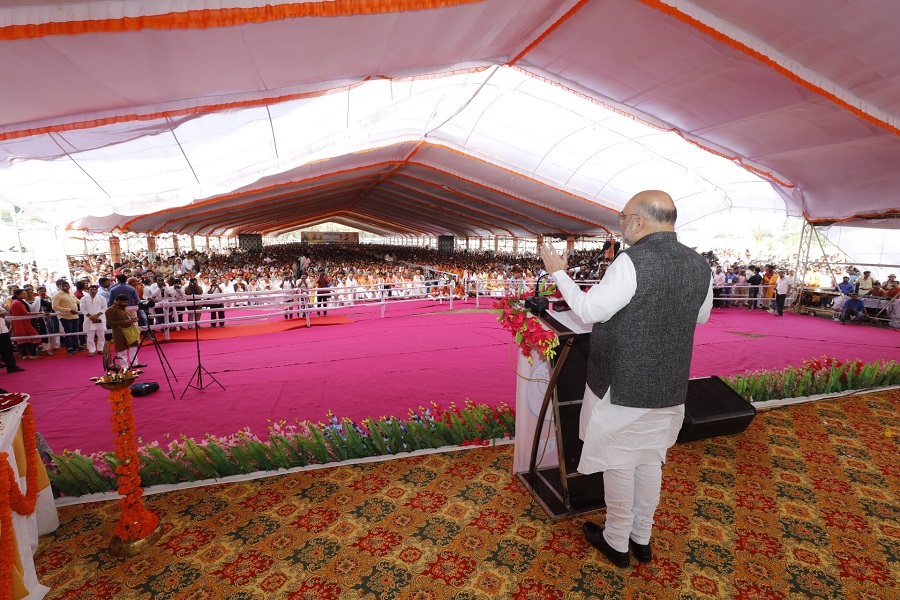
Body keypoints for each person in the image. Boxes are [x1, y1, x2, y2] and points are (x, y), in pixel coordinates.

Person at [539, 190, 712, 568]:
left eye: (622, 218)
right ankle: (642, 537)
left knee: (620, 461)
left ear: (637, 221)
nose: (621, 225)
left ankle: (617, 540)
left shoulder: (632, 261)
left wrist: (558, 273)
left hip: (623, 383)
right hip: (669, 383)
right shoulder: (700, 264)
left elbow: (588, 310)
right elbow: (700, 317)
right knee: (650, 460)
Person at [105, 294, 146, 368]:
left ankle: (135, 363)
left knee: (133, 347)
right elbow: (109, 323)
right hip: (119, 333)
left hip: (129, 331)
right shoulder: (110, 310)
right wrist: (127, 321)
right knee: (122, 350)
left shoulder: (123, 308)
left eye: (126, 302)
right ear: (117, 301)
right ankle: (125, 368)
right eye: (124, 302)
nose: (126, 304)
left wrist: (131, 320)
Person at [51, 279, 82, 355]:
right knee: (68, 333)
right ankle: (69, 348)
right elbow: (54, 307)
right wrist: (68, 310)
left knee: (75, 332)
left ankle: (76, 347)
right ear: (59, 287)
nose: (65, 287)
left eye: (66, 286)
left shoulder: (71, 293)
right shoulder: (57, 295)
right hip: (65, 317)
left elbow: (77, 301)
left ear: (69, 286)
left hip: (75, 315)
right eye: (63, 286)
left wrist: (86, 302)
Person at [9, 289, 42, 361]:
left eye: (25, 294)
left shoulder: (17, 302)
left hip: (20, 322)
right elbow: (26, 313)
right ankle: (32, 355)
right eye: (23, 294)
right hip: (22, 323)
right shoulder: (17, 303)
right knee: (34, 337)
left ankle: (26, 355)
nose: (25, 295)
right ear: (17, 295)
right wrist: (40, 313)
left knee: (25, 339)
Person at [80, 283, 108, 356]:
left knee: (101, 335)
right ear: (88, 291)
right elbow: (82, 309)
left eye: (94, 289)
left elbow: (105, 307)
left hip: (100, 318)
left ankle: (101, 349)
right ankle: (91, 350)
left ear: (97, 291)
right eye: (91, 289)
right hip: (89, 319)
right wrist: (91, 317)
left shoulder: (102, 298)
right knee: (90, 336)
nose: (93, 291)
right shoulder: (84, 298)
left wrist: (97, 315)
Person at [0, 302, 26, 373]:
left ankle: (11, 366)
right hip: (2, 330)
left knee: (7, 349)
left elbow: (4, 312)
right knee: (6, 349)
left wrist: (2, 313)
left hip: (2, 330)